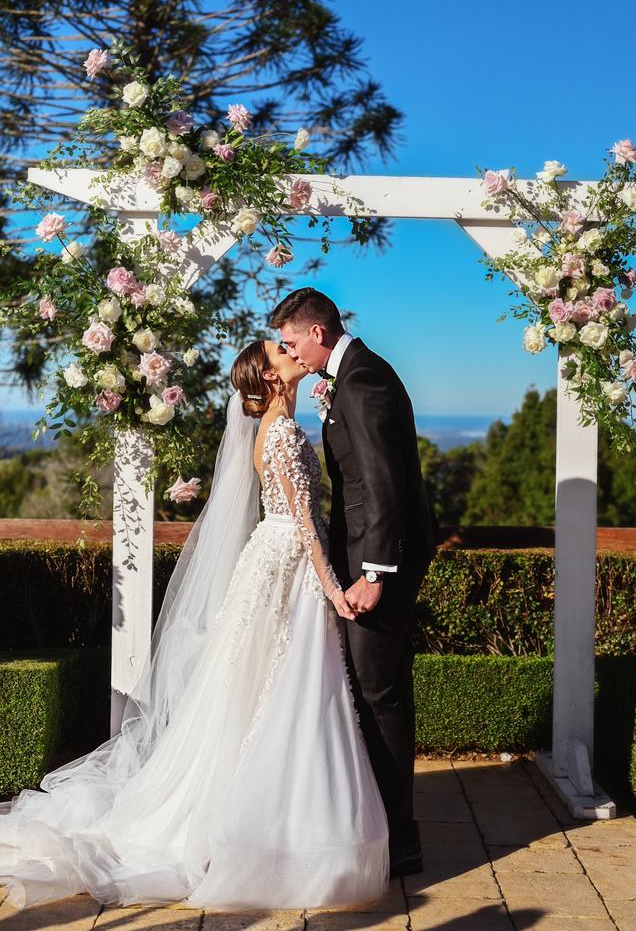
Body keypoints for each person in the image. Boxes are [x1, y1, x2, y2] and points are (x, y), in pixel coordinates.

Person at [0, 339, 389, 910]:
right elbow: (305, 524)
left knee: (262, 687)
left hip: (273, 562)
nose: (290, 353)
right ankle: (268, 823)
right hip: (287, 564)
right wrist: (333, 589)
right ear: (272, 378)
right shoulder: (280, 434)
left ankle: (268, 809)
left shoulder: (273, 429)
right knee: (283, 686)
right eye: (279, 352)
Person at [270, 288, 437, 878]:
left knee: (379, 695)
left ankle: (400, 838)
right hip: (366, 556)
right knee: (370, 693)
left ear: (316, 332)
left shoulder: (363, 380)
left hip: (379, 565)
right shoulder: (350, 378)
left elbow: (383, 484)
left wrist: (374, 573)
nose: (291, 353)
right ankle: (378, 823)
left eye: (291, 342)